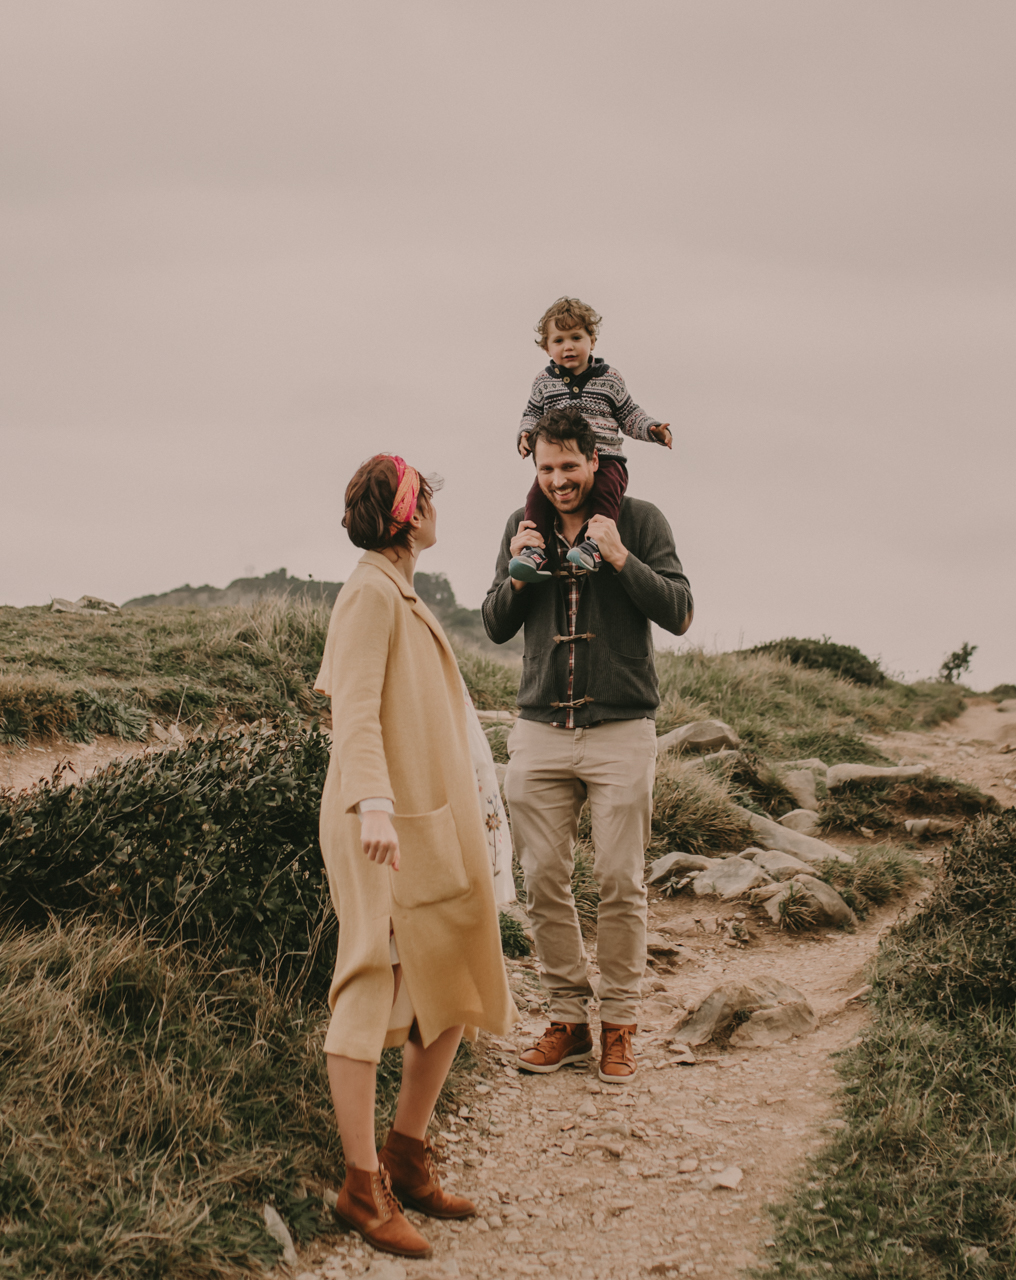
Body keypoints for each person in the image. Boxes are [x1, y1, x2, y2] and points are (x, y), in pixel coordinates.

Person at [314, 454, 517, 1259]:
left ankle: (407, 1150)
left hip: (427, 819)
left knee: (456, 975)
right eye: (426, 498)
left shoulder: (399, 588)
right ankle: (361, 1188)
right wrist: (372, 804)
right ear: (406, 513)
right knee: (372, 981)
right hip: (382, 826)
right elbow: (354, 711)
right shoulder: (368, 591)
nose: (436, 509)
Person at [481, 407, 694, 1085]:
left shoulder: (642, 521)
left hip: (621, 731)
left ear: (595, 461)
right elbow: (493, 623)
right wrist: (519, 572)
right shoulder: (522, 527)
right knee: (541, 881)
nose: (557, 480)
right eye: (545, 468)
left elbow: (681, 611)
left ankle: (622, 1024)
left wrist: (621, 558)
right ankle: (569, 1019)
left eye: (569, 466)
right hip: (539, 729)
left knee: (619, 882)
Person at [509, 296, 674, 582]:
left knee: (606, 495)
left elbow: (629, 414)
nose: (568, 346)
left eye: (576, 337)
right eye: (558, 340)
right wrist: (525, 434)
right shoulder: (543, 382)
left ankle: (595, 546)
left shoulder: (609, 379)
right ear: (546, 347)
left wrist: (652, 429)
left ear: (592, 341)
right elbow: (532, 414)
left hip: (607, 457)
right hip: (562, 458)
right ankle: (534, 552)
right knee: (536, 498)